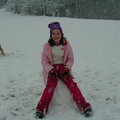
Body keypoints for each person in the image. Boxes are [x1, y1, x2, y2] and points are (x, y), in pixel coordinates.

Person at [36, 22, 92, 119]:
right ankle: (41, 109)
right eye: (53, 33)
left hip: (63, 68)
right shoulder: (47, 46)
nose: (56, 36)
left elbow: (71, 58)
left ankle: (84, 106)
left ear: (61, 34)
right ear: (51, 35)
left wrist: (67, 68)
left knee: (72, 85)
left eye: (58, 33)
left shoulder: (66, 45)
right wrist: (50, 70)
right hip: (52, 69)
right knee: (50, 86)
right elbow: (44, 61)